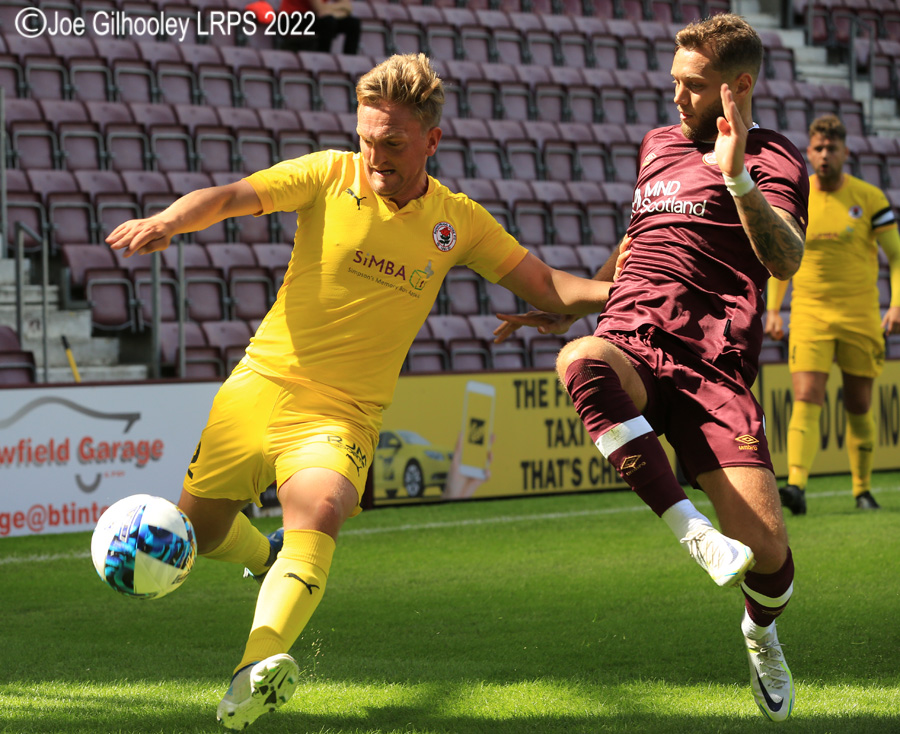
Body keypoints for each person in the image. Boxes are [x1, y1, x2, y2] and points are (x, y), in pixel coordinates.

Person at [106, 54, 613, 731]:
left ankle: (252, 668)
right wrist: (170, 220)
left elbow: (548, 287)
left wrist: (627, 295)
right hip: (256, 388)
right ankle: (262, 560)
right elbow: (232, 197)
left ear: (431, 140)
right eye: (367, 137)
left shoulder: (456, 222)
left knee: (321, 508)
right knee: (196, 534)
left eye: (393, 142)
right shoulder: (328, 173)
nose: (375, 154)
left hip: (341, 412)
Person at [497, 14, 807, 722]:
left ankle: (760, 634)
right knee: (579, 362)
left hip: (714, 368)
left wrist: (737, 181)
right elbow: (638, 240)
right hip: (633, 337)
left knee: (770, 559)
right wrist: (578, 307)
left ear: (739, 87)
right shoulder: (657, 146)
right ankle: (690, 531)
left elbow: (785, 259)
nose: (675, 98)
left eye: (692, 86)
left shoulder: (775, 157)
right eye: (673, 82)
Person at [766, 114, 900, 513]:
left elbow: (895, 255)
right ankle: (797, 487)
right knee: (806, 397)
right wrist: (774, 310)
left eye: (832, 149)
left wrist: (895, 303)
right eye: (819, 149)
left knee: (859, 404)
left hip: (860, 317)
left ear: (845, 152)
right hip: (809, 316)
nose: (825, 155)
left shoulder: (869, 197)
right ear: (809, 152)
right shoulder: (796, 197)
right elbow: (781, 258)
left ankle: (862, 490)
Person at [278, 0, 361, 55]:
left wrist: (329, 11)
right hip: (290, 19)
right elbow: (319, 8)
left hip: (314, 17)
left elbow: (348, 7)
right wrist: (339, 10)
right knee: (328, 21)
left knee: (353, 23)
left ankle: (350, 61)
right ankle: (323, 57)